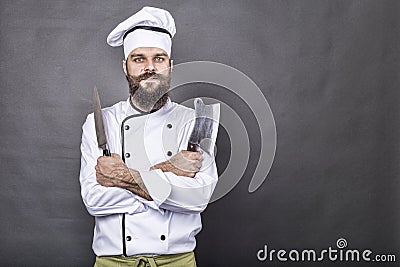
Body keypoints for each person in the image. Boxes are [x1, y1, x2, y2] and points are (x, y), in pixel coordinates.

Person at [79, 6, 219, 267]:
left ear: (170, 65)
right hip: (113, 261)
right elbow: (94, 200)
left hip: (176, 261)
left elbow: (198, 199)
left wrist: (120, 178)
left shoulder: (194, 122)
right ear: (126, 66)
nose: (150, 67)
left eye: (159, 58)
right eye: (139, 58)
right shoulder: (100, 122)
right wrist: (169, 172)